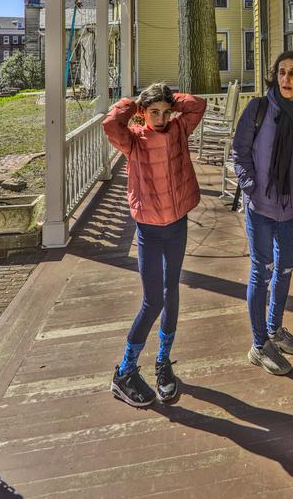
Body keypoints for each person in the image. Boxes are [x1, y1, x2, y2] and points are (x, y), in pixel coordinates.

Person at [102, 83, 206, 407]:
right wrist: (135, 104)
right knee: (152, 301)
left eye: (165, 112)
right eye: (154, 112)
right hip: (149, 229)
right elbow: (110, 123)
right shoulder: (134, 140)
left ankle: (163, 363)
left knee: (171, 291)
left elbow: (197, 105)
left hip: (177, 225)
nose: (161, 119)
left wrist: (171, 100)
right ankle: (125, 370)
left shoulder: (178, 130)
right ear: (143, 113)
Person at [232, 51, 293, 375]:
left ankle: (274, 329)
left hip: (291, 207)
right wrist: (250, 185)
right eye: (281, 72)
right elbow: (240, 150)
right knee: (262, 272)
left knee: (285, 269)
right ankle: (259, 344)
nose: (286, 78)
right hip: (261, 206)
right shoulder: (258, 109)